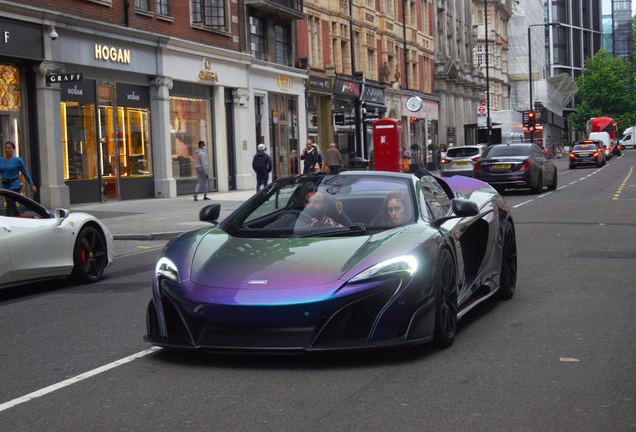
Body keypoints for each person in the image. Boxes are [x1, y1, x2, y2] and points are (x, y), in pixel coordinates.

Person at [0, 141, 37, 217]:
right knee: (13, 206)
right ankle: (19, 218)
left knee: (9, 206)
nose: (7, 150)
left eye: (9, 148)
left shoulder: (18, 161)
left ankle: (8, 222)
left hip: (15, 186)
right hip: (5, 186)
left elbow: (25, 173)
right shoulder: (1, 160)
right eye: (6, 148)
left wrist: (31, 184)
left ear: (13, 149)